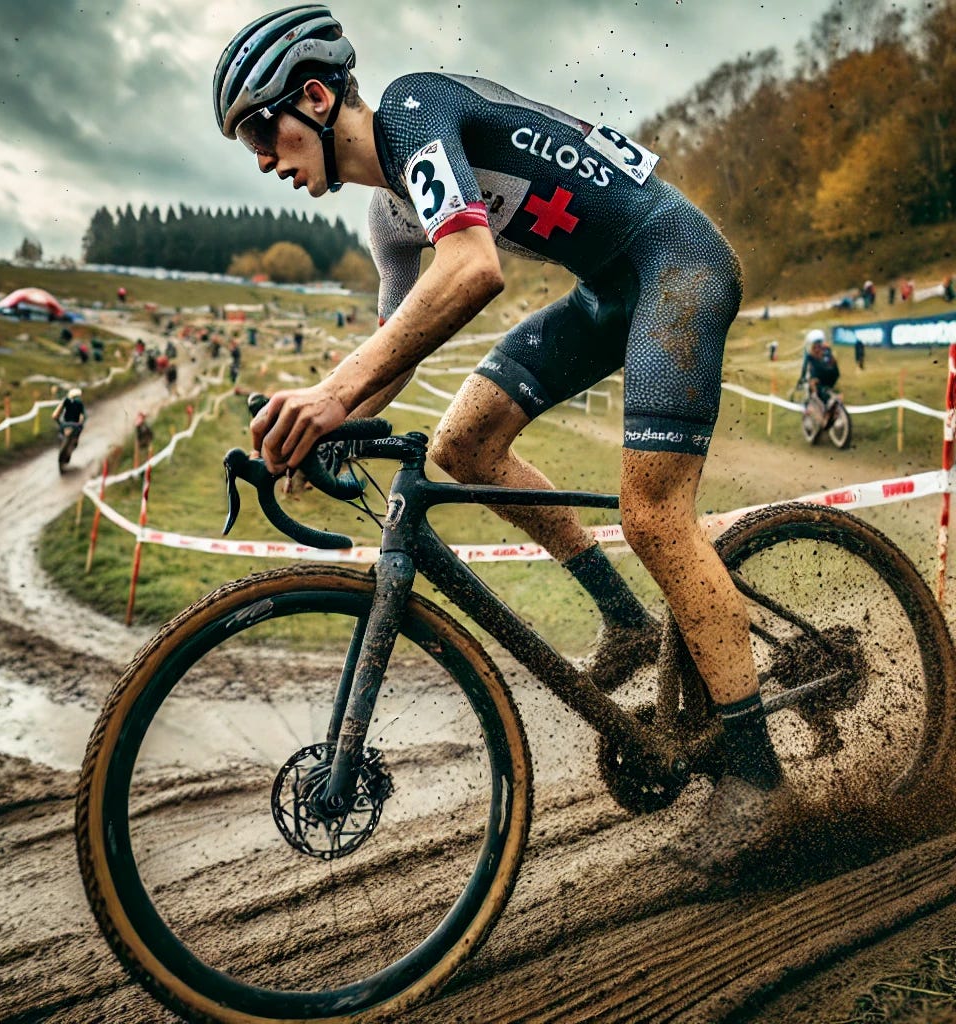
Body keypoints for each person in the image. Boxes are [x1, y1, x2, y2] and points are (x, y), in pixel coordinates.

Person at [214, 7, 783, 816]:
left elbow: (475, 268)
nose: (263, 161)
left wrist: (333, 392)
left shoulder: (414, 111)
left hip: (675, 260)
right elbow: (396, 349)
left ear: (313, 97)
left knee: (655, 518)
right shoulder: (389, 215)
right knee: (463, 443)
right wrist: (325, 428)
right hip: (609, 291)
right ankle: (621, 615)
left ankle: (760, 778)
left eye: (260, 137)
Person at [796, 329, 840, 427]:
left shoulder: (810, 354)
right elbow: (833, 364)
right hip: (833, 377)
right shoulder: (827, 350)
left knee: (814, 392)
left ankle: (821, 414)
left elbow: (805, 368)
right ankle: (831, 408)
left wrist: (802, 379)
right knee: (824, 390)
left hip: (819, 378)